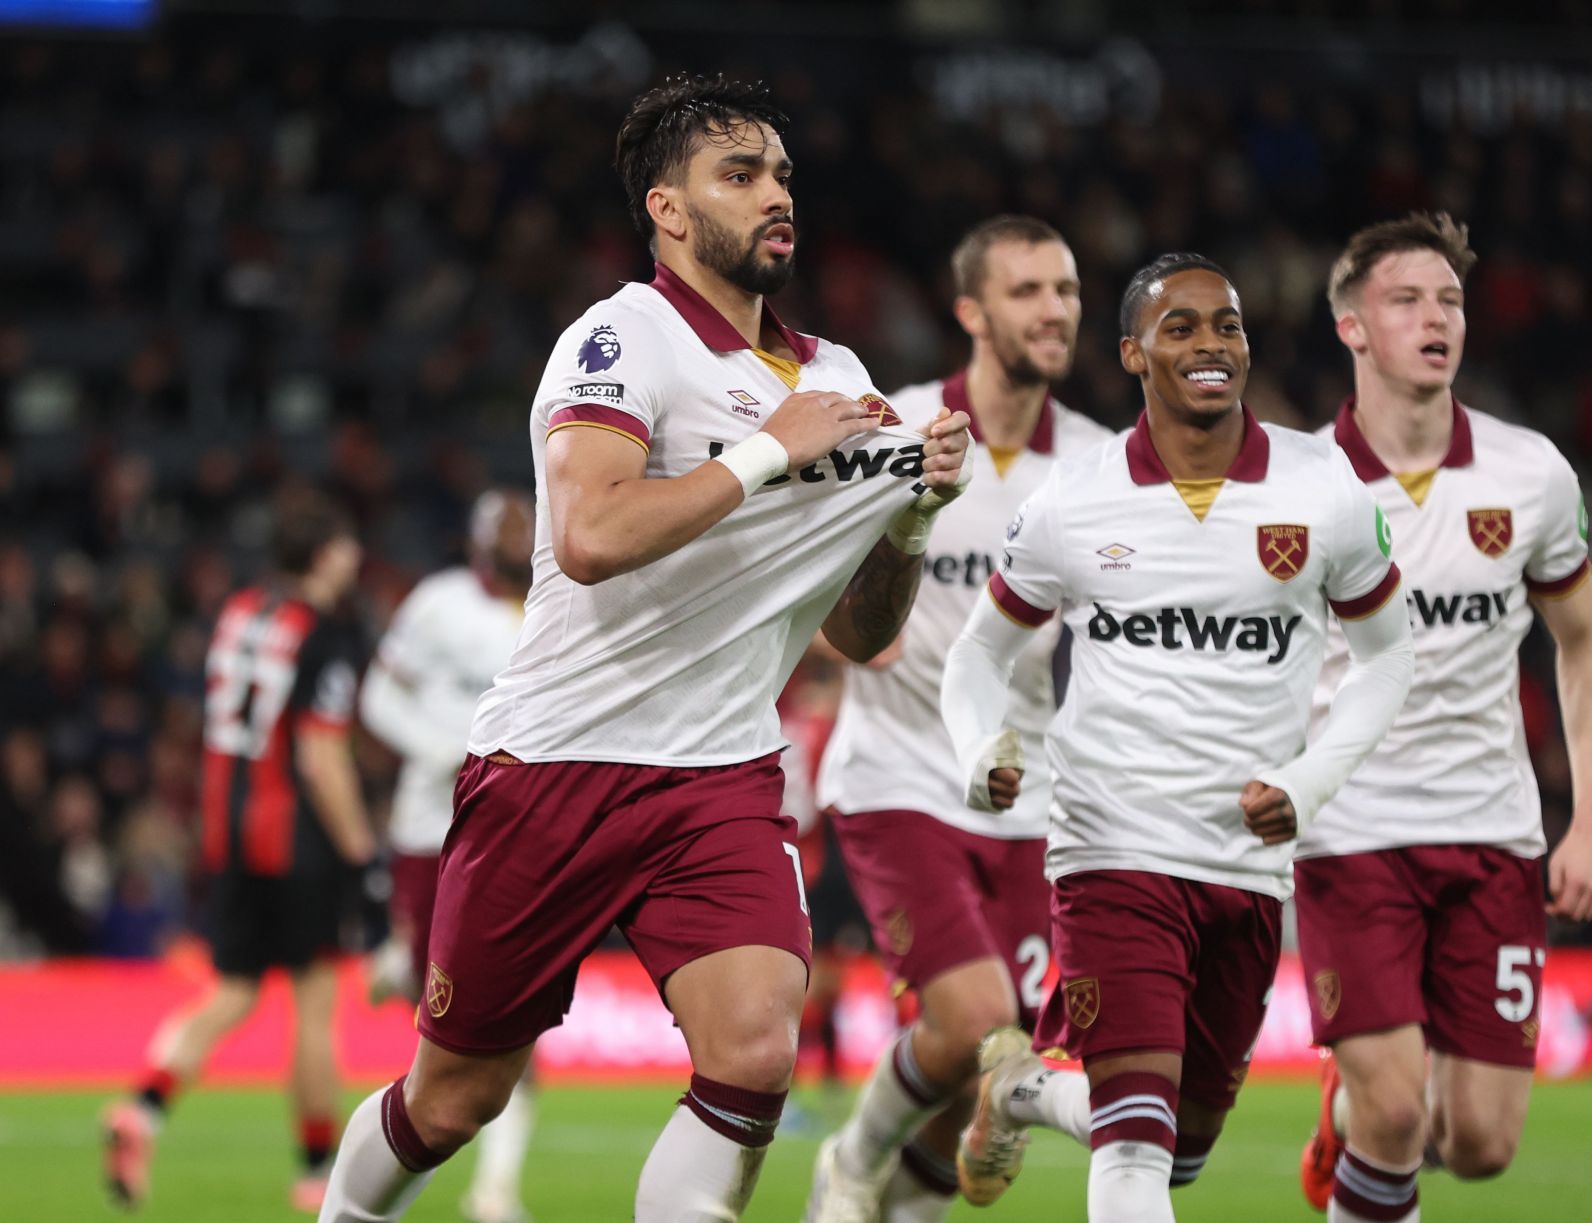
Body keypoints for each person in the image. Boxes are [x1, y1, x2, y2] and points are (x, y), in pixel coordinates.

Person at [314, 74, 971, 1223]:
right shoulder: (623, 337)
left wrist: (908, 517)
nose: (775, 195)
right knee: (454, 1097)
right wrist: (769, 451)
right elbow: (593, 533)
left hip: (719, 773)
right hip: (557, 765)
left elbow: (861, 634)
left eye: (780, 174)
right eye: (740, 174)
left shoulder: (841, 383)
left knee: (756, 1049)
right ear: (668, 210)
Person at [939, 254, 1415, 1222]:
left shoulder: (1324, 488)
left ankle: (1020, 1089)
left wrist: (1313, 780)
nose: (1211, 345)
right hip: (1110, 845)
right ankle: (1060, 1099)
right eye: (1183, 327)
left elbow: (1388, 659)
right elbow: (976, 656)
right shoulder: (1075, 500)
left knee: (1183, 1147)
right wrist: (978, 752)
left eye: (1227, 325)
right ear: (1132, 353)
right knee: (1134, 1148)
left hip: (1247, 864)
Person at [1294, 213, 1592, 1223]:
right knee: (1395, 1111)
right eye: (1406, 300)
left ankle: (1346, 1114)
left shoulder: (1532, 475)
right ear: (1352, 326)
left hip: (1491, 830)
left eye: (1450, 300)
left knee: (1477, 1143)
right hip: (1352, 832)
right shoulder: (1296, 482)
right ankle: (1362, 1111)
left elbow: (1583, 646)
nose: (1436, 318)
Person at [807, 215, 1110, 1222]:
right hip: (897, 772)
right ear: (972, 311)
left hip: (1030, 797)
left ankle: (901, 1205)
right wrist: (848, 630)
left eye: (1065, 291)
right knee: (980, 1021)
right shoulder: (892, 429)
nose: (1055, 310)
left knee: (989, 1064)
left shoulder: (1106, 468)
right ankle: (850, 1156)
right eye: (1027, 291)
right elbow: (795, 595)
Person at [103, 489, 374, 1213]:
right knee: (315, 1010)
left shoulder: (238, 611)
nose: (354, 556)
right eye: (345, 544)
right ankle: (317, 1171)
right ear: (324, 554)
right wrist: (360, 850)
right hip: (299, 844)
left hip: (230, 833)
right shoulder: (325, 631)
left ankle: (144, 1107)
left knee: (231, 991)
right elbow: (320, 754)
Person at [359, 489, 536, 1223]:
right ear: (477, 538)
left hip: (521, 832)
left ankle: (495, 1189)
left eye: (527, 524)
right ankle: (403, 957)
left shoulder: (568, 599)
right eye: (506, 527)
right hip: (431, 829)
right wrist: (440, 749)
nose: (520, 538)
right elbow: (377, 694)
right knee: (438, 1028)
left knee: (513, 1015)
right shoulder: (438, 604)